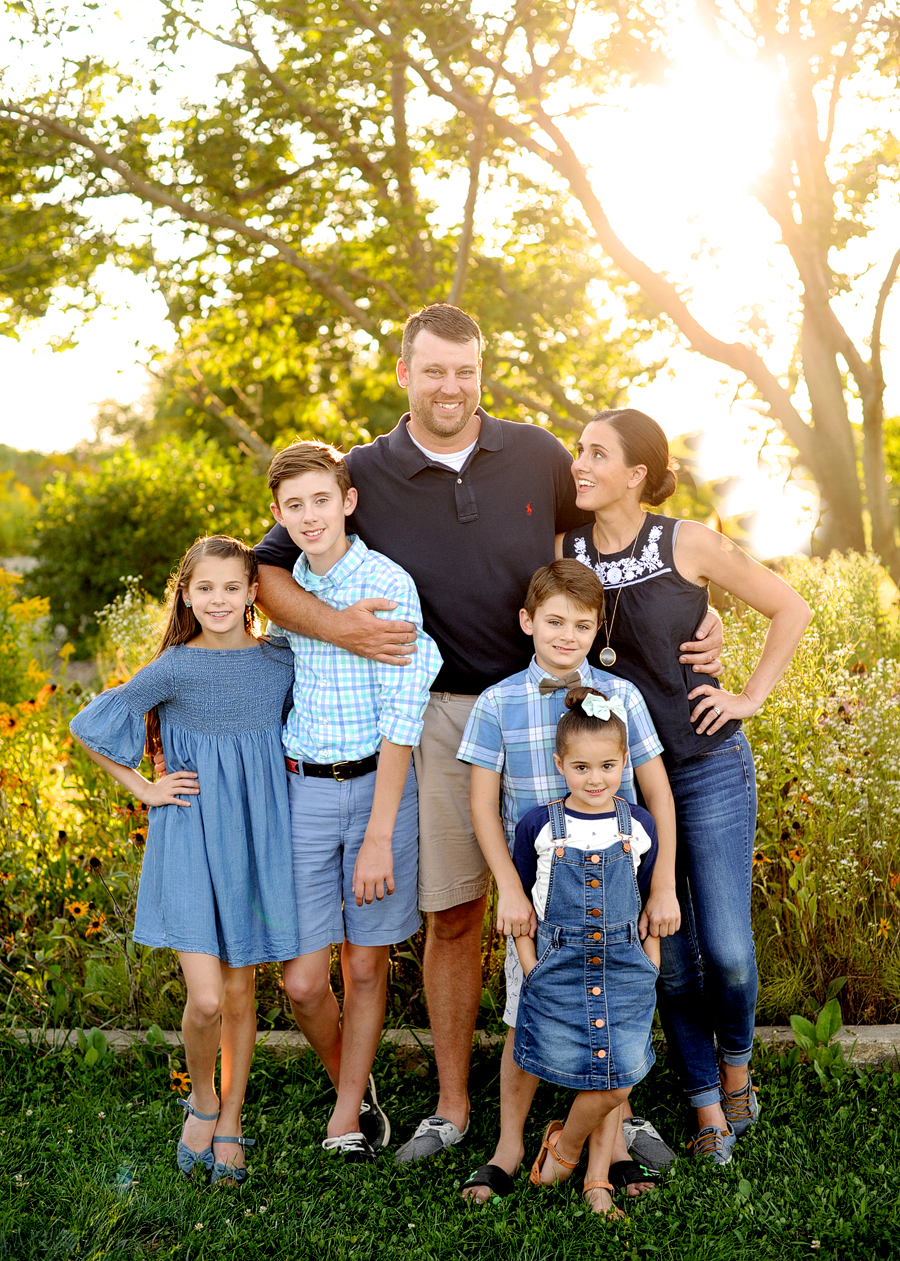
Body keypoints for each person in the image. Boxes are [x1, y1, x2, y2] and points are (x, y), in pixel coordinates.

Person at [254, 303, 723, 1163]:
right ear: (403, 373)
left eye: (464, 370)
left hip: (554, 703)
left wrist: (703, 610)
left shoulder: (540, 453)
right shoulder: (360, 471)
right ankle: (453, 1104)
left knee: (601, 896)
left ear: (481, 372)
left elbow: (616, 538)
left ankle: (612, 1096)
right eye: (432, 369)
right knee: (460, 913)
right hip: (435, 713)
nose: (449, 386)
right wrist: (344, 628)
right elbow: (266, 576)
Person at [560, 408, 811, 1163]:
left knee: (728, 950)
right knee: (668, 956)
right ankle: (706, 1105)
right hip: (623, 790)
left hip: (706, 769)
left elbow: (789, 606)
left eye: (596, 453)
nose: (580, 462)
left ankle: (738, 1070)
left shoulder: (685, 540)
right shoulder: (565, 552)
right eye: (578, 450)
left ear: (637, 473)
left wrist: (749, 695)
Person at [69, 535, 298, 1184]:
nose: (219, 599)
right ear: (186, 593)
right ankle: (202, 1095)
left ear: (254, 591)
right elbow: (91, 723)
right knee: (204, 999)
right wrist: (144, 786)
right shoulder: (173, 666)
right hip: (192, 836)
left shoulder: (279, 660)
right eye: (206, 588)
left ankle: (231, 1117)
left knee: (239, 988)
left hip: (257, 838)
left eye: (232, 587)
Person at [457, 559, 677, 1203]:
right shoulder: (497, 702)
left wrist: (661, 885)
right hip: (540, 895)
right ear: (528, 622)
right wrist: (508, 887)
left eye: (582, 625)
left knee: (616, 1020)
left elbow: (657, 797)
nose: (566, 635)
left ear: (596, 629)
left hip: (619, 894)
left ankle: (603, 1153)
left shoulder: (624, 698)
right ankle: (509, 1148)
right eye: (554, 621)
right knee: (526, 1017)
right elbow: (481, 804)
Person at [269, 440, 442, 1162]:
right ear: (278, 515)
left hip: (378, 789)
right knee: (305, 980)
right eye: (292, 505)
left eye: (320, 499)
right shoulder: (287, 590)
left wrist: (379, 835)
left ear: (348, 500)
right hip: (302, 788)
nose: (309, 516)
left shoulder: (387, 581)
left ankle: (346, 1114)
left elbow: (404, 713)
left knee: (365, 964)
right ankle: (355, 1078)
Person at [512, 688, 661, 1219]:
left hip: (624, 964)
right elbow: (522, 906)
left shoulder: (638, 826)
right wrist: (532, 968)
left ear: (624, 761)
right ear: (560, 765)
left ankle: (570, 1150)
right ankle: (596, 1181)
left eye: (607, 765)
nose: (595, 779)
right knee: (596, 1071)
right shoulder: (539, 827)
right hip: (560, 965)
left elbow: (648, 906)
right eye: (580, 767)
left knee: (619, 1071)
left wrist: (651, 962)